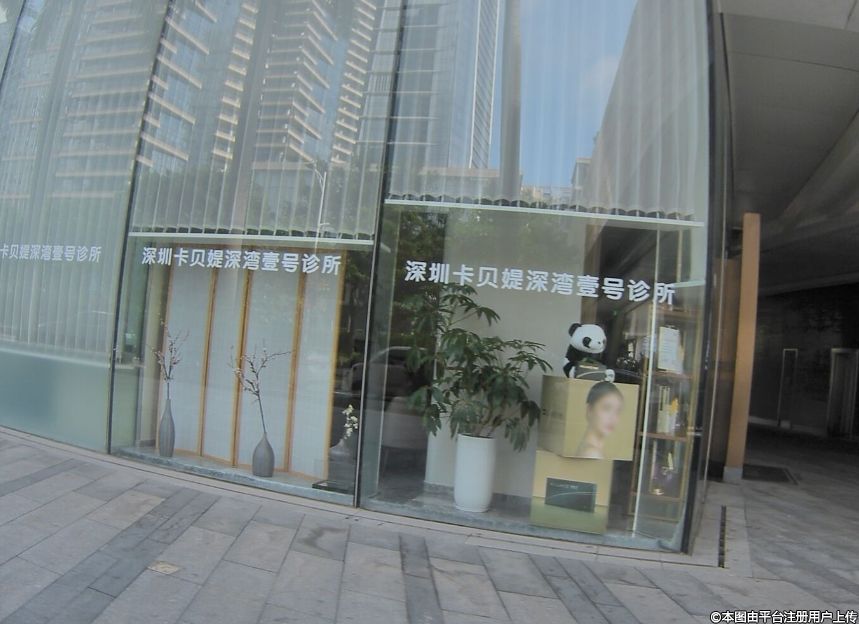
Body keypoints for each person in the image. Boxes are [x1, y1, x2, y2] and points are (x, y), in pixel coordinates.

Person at [575, 381, 624, 459]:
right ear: (589, 409)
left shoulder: (588, 449)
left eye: (617, 411)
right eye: (606, 408)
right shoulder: (592, 453)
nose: (613, 418)